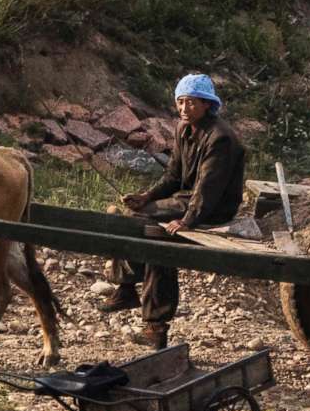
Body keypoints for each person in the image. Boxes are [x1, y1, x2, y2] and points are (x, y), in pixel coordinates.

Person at [100, 72, 247, 349]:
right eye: (180, 102)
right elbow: (173, 176)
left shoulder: (220, 138)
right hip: (187, 197)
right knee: (137, 221)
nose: (184, 109)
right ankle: (130, 290)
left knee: (154, 236)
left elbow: (209, 188)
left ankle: (143, 308)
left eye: (191, 103)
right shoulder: (183, 129)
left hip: (213, 208)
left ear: (207, 104)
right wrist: (147, 197)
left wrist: (188, 220)